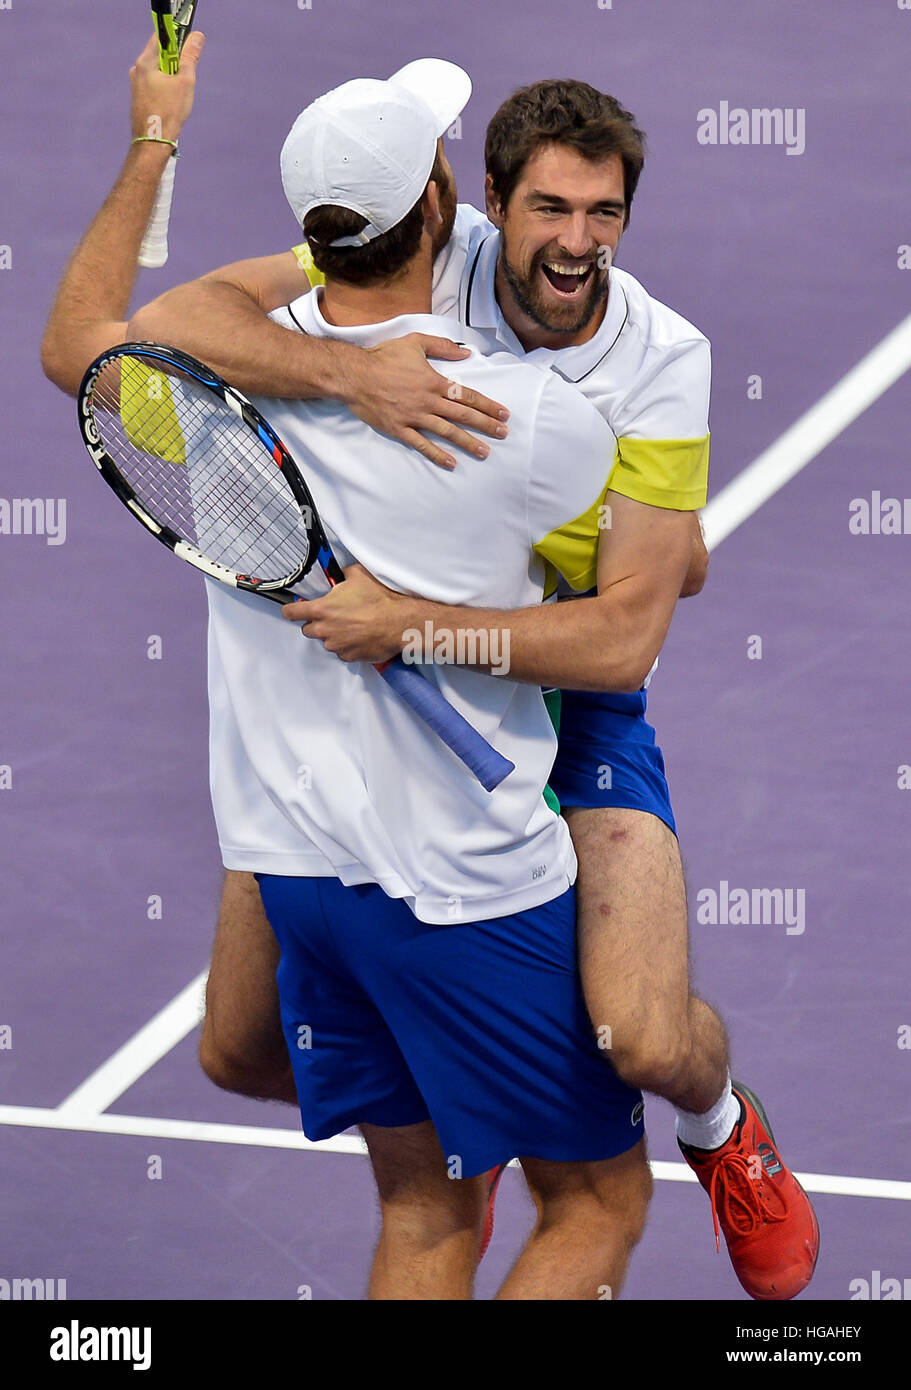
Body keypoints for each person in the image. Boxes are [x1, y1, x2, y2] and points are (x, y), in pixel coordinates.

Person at [42, 41, 818, 1302]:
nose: (575, 242)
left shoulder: (655, 359)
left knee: (643, 1033)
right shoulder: (432, 312)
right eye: (548, 209)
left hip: (571, 692)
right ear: (472, 207)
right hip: (392, 751)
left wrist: (417, 618)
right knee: (239, 1053)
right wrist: (356, 378)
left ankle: (723, 1121)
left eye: (603, 213)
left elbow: (643, 612)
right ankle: (478, 1074)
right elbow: (167, 327)